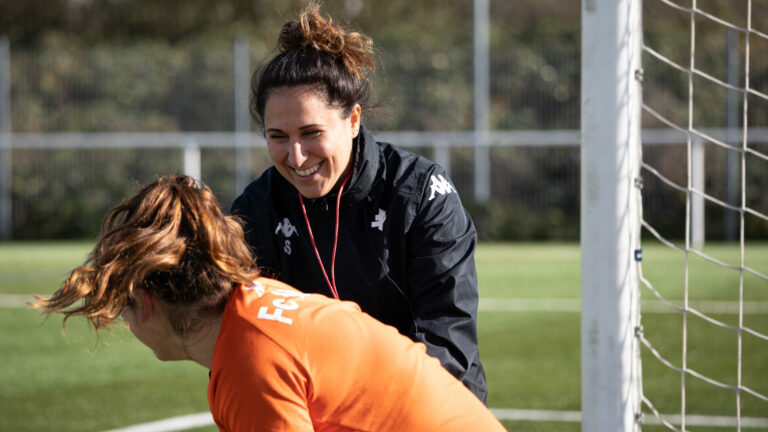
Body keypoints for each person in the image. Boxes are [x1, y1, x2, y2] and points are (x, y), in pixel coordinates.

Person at [33, 175, 505, 432]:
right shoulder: (258, 304)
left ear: (147, 302)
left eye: (124, 306)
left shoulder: (250, 361)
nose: (127, 323)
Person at [231, 4, 488, 401]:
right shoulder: (256, 207)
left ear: (353, 121)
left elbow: (447, 346)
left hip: (425, 409)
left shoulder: (420, 194)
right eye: (278, 136)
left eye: (311, 132)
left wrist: (354, 403)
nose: (296, 157)